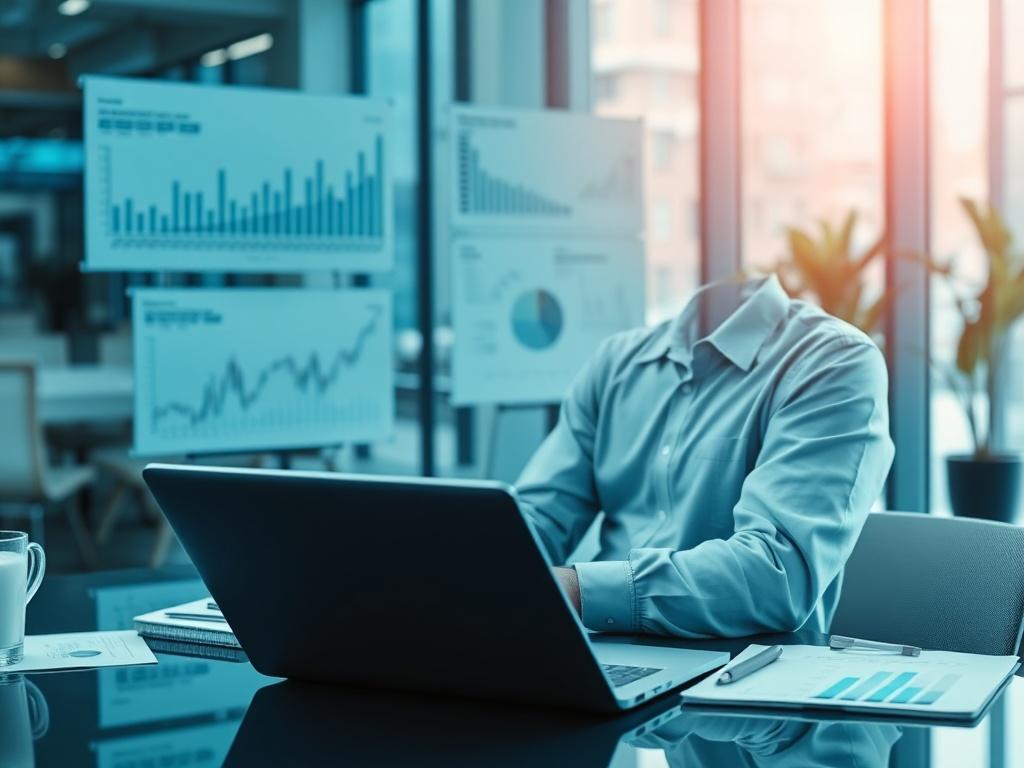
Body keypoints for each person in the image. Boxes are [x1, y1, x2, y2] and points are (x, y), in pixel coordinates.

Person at [516, 274, 894, 638]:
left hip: (741, 672)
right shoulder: (618, 362)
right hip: (597, 642)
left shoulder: (832, 361)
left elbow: (776, 577)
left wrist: (576, 590)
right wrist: (475, 564)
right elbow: (537, 517)